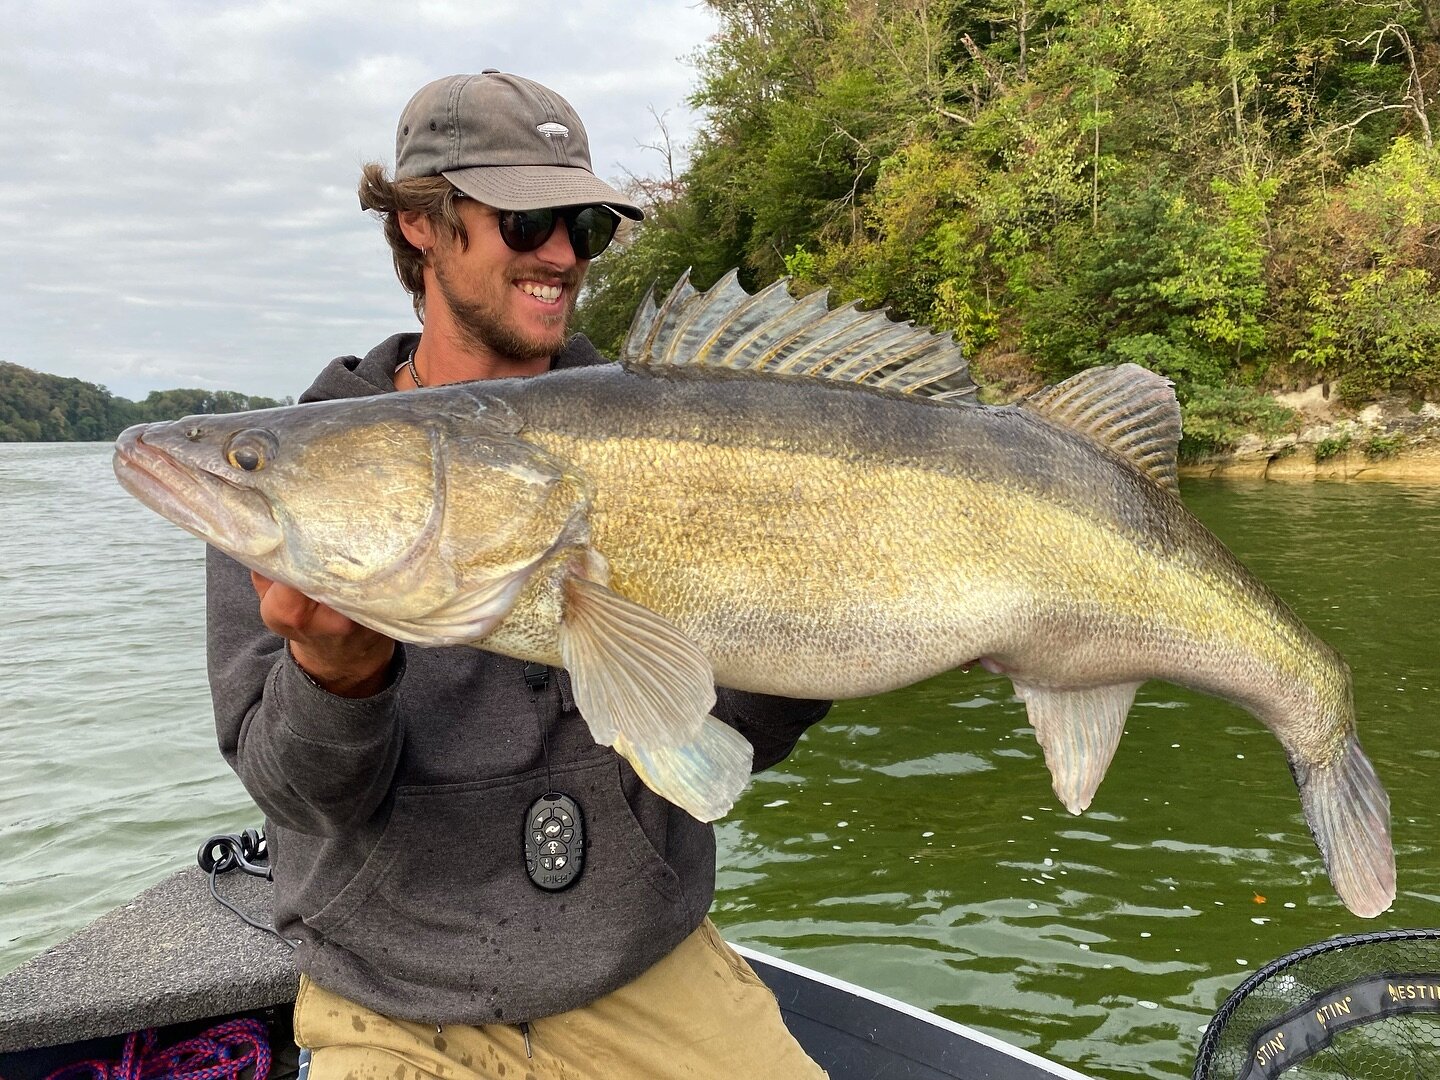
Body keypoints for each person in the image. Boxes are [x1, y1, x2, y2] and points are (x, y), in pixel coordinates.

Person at [205, 71, 832, 1079]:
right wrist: (338, 682)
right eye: (527, 219)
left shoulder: (687, 432)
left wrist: (838, 631)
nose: (561, 256)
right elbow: (295, 793)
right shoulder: (299, 485)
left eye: (586, 225)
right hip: (396, 1004)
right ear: (419, 222)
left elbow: (732, 744)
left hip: (644, 968)